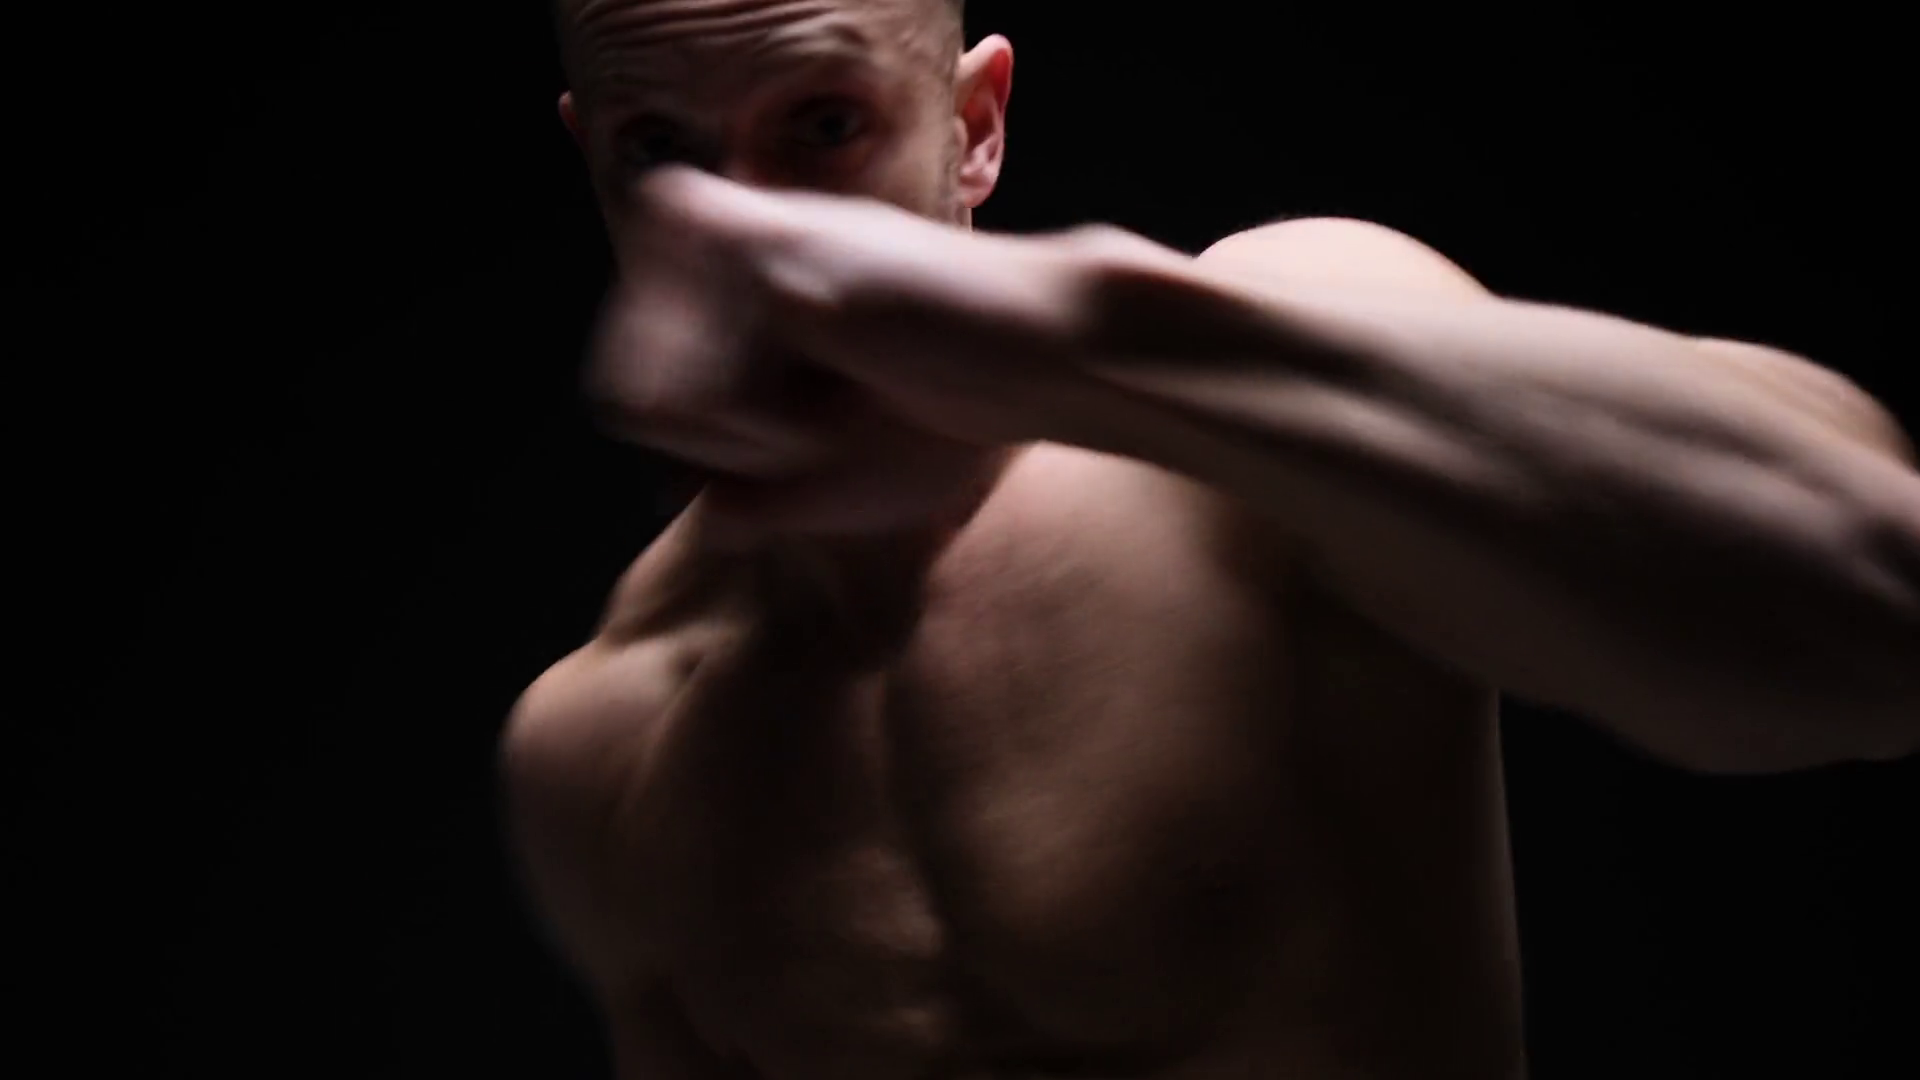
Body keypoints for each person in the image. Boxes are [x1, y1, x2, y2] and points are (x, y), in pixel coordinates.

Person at [501, 1, 1920, 1076]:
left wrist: (1092, 344)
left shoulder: (1246, 414)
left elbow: (1878, 614)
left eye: (823, 125)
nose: (747, 236)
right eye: (661, 151)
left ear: (973, 128)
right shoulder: (609, 743)